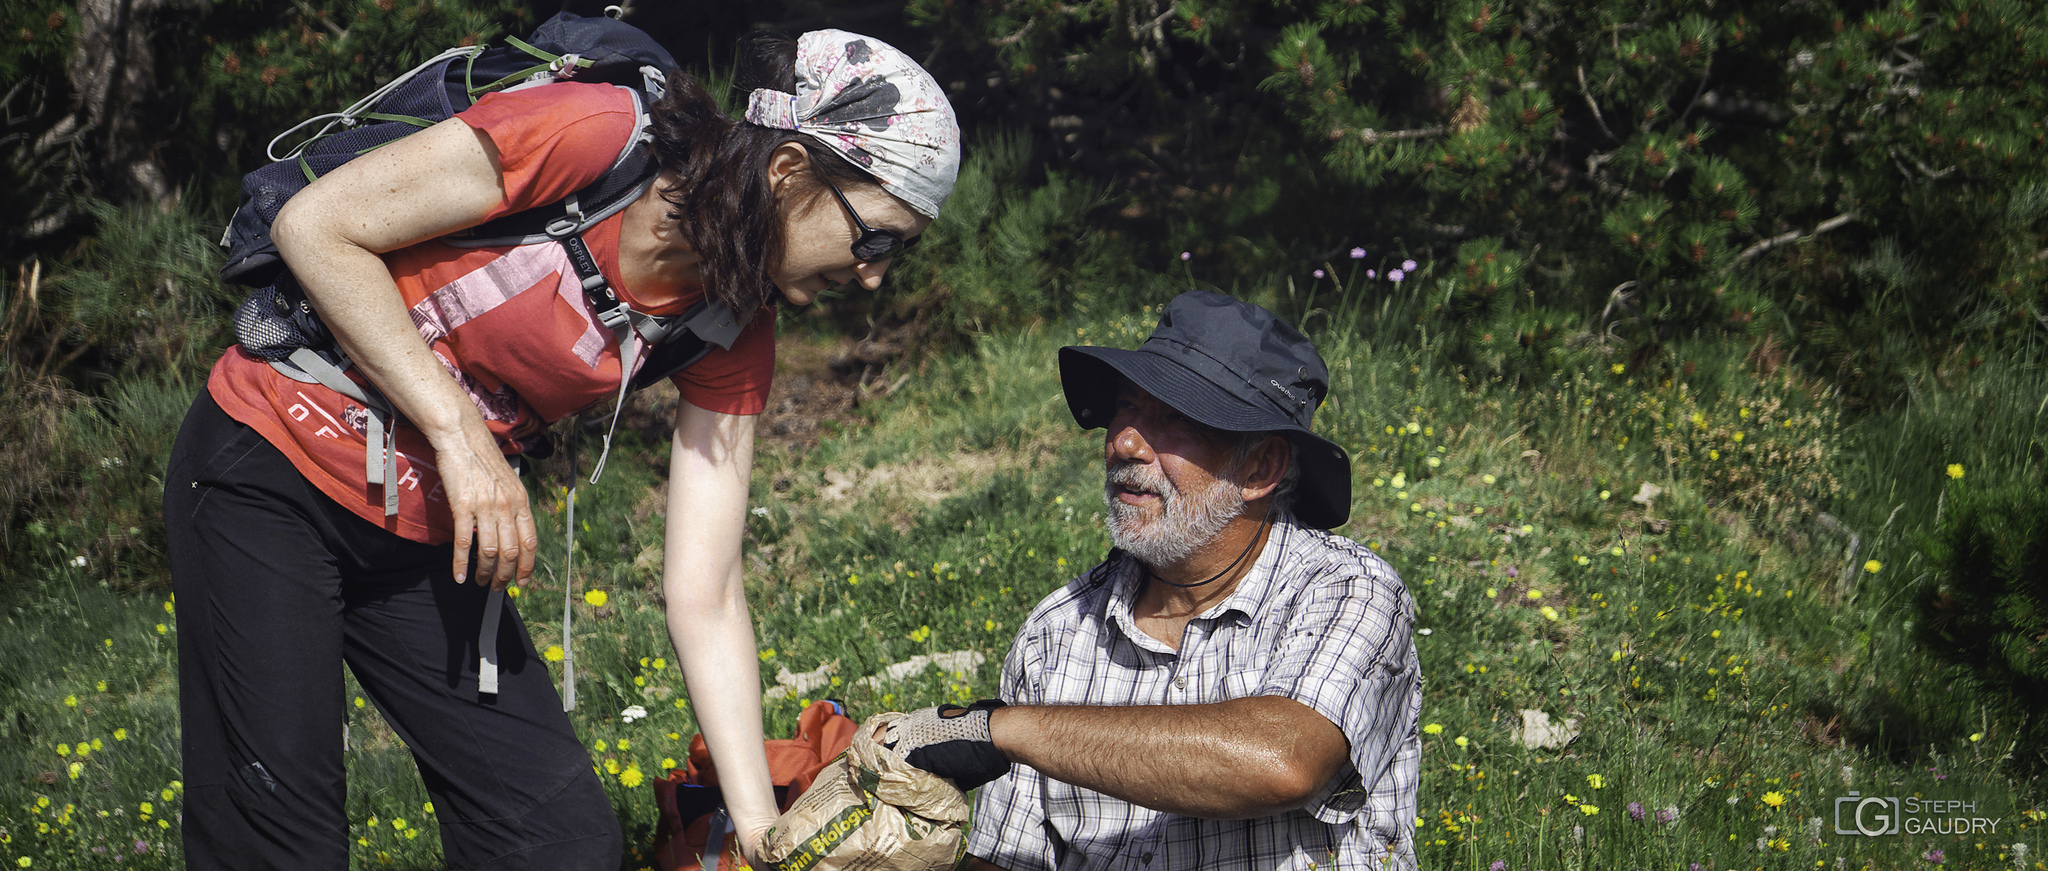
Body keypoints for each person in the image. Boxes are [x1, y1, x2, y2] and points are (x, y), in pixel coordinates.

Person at [162, 28, 958, 871]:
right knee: (281, 838)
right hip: (270, 466)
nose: (875, 273)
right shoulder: (594, 135)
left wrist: (763, 833)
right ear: (790, 170)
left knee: (557, 846)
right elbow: (316, 226)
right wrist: (462, 435)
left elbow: (709, 587)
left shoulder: (733, 326)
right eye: (876, 237)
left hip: (430, 530)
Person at [882, 291, 1421, 870]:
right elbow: (1010, 860)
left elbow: (1284, 761)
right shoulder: (1057, 633)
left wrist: (1002, 729)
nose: (1125, 443)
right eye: (1125, 409)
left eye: (1174, 419)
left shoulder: (1348, 591)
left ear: (1261, 468)